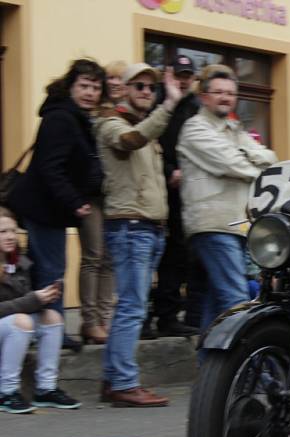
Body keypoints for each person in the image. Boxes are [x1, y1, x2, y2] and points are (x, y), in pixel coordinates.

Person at [95, 62, 182, 407]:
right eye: (139, 86)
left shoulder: (144, 128)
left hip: (147, 228)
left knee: (130, 306)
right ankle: (124, 383)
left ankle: (114, 378)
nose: (146, 92)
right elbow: (130, 140)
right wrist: (170, 104)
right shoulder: (112, 124)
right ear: (125, 90)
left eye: (151, 87)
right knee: (132, 307)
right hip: (131, 227)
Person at [8, 58, 108, 353]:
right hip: (44, 208)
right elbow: (50, 167)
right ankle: (53, 329)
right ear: (71, 86)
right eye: (84, 86)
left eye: (95, 87)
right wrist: (74, 201)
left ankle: (47, 326)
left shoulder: (75, 117)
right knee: (52, 269)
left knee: (46, 268)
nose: (90, 92)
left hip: (50, 208)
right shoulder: (61, 118)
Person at [178, 69, 277, 343]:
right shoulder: (195, 128)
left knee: (215, 304)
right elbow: (229, 163)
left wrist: (246, 155)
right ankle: (246, 368)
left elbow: (270, 156)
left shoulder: (235, 130)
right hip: (213, 223)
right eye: (219, 92)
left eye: (231, 93)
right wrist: (250, 159)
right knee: (236, 299)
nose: (225, 98)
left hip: (236, 225)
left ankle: (210, 374)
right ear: (204, 96)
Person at [0, 207, 80, 414]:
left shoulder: (20, 262)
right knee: (22, 321)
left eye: (12, 231)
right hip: (11, 323)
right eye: (2, 232)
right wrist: (32, 300)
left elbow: (22, 302)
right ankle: (6, 392)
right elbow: (18, 307)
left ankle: (46, 389)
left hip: (10, 324)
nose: (10, 237)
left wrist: (44, 297)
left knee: (52, 317)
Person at [145, 54, 203, 339]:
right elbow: (149, 143)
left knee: (177, 254)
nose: (183, 80)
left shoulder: (196, 107)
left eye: (187, 75)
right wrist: (169, 170)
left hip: (185, 192)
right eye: (179, 75)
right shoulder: (157, 103)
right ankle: (145, 319)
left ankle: (168, 316)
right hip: (156, 187)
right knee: (150, 254)